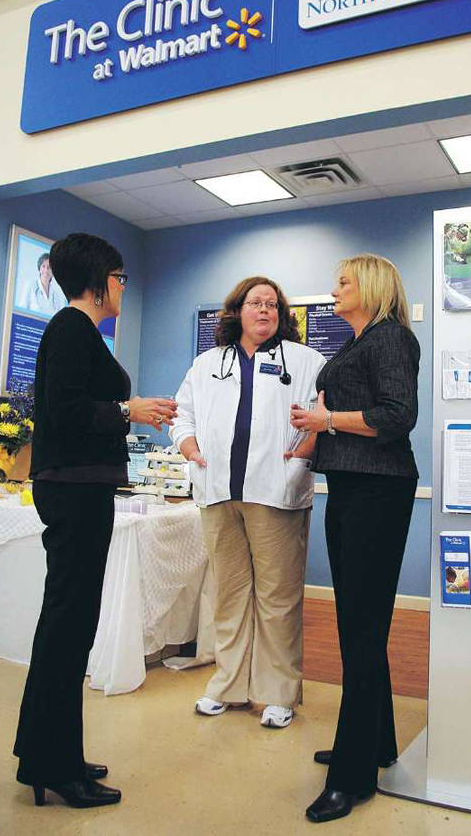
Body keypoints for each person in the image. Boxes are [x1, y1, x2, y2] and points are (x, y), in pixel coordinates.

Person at [13, 233, 177, 809]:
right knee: (67, 625)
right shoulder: (70, 328)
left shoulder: (80, 332)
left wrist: (129, 412)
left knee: (70, 624)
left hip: (81, 489)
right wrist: (127, 409)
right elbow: (65, 410)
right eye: (120, 277)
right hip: (74, 492)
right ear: (99, 279)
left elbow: (79, 408)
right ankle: (54, 765)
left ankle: (48, 753)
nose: (123, 288)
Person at [290, 253, 419, 823]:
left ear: (370, 286)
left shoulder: (390, 339)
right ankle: (376, 742)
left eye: (343, 281)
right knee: (361, 624)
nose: (334, 288)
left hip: (377, 491)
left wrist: (325, 423)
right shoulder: (358, 342)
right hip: (350, 486)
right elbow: (338, 413)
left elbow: (397, 415)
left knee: (361, 630)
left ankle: (352, 776)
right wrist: (309, 436)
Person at [171, 276, 325, 728]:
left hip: (275, 492)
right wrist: (191, 450)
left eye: (273, 305)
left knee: (278, 597)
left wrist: (303, 453)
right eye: (256, 303)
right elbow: (183, 415)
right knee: (230, 594)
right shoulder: (206, 364)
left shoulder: (305, 360)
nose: (265, 311)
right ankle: (229, 684)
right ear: (237, 310)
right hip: (218, 492)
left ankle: (277, 692)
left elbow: (319, 417)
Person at [19, 252, 67, 316]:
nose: (46, 270)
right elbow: (21, 313)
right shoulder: (30, 286)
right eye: (43, 266)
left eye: (49, 267)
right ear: (39, 268)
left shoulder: (55, 296)